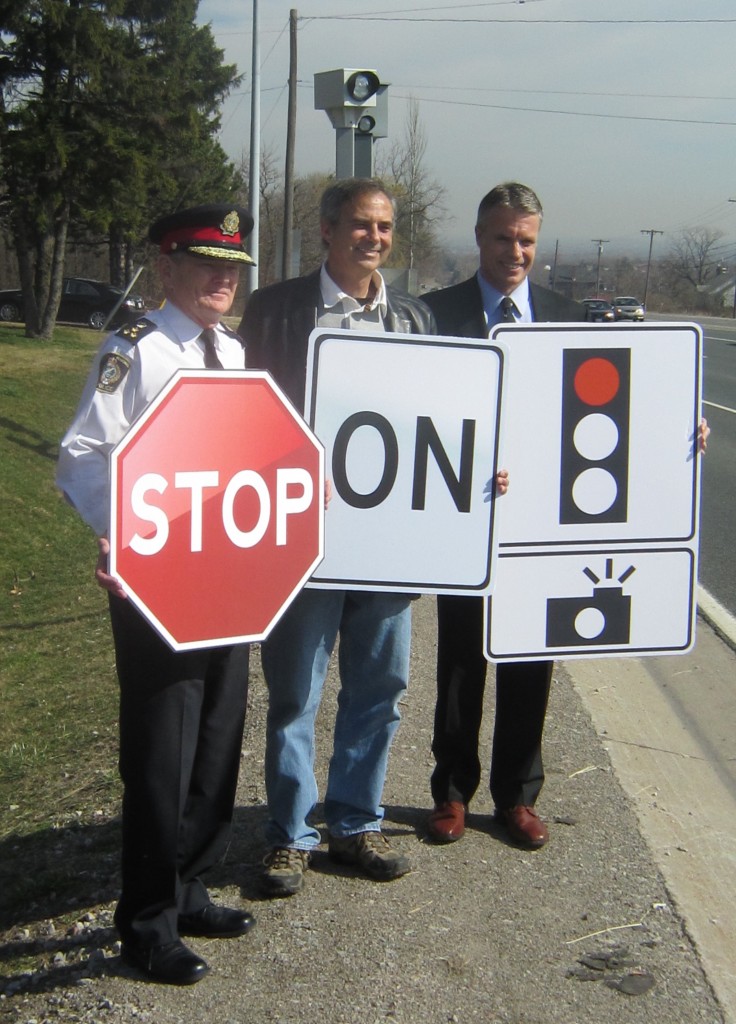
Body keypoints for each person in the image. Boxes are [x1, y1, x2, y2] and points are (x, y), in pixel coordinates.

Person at [56, 204, 257, 985]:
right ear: (165, 267)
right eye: (205, 263)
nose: (222, 278)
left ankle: (191, 886)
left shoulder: (234, 353)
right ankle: (145, 923)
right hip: (156, 585)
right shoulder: (133, 350)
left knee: (217, 735)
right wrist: (123, 535)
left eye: (232, 267)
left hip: (229, 581)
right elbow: (82, 456)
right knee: (161, 752)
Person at [238, 178, 436, 897]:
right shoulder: (275, 310)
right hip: (303, 542)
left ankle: (355, 823)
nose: (374, 238)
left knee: (380, 691)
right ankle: (290, 834)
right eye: (360, 224)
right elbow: (243, 409)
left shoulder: (414, 317)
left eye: (384, 227)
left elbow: (441, 420)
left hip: (388, 546)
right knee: (295, 693)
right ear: (326, 229)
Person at [422, 182, 588, 850]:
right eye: (502, 237)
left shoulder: (570, 318)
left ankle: (517, 797)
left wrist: (677, 435)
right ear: (479, 238)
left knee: (531, 657)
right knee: (461, 661)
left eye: (526, 240)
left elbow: (612, 413)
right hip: (466, 519)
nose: (514, 251)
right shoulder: (435, 315)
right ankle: (452, 791)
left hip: (543, 528)